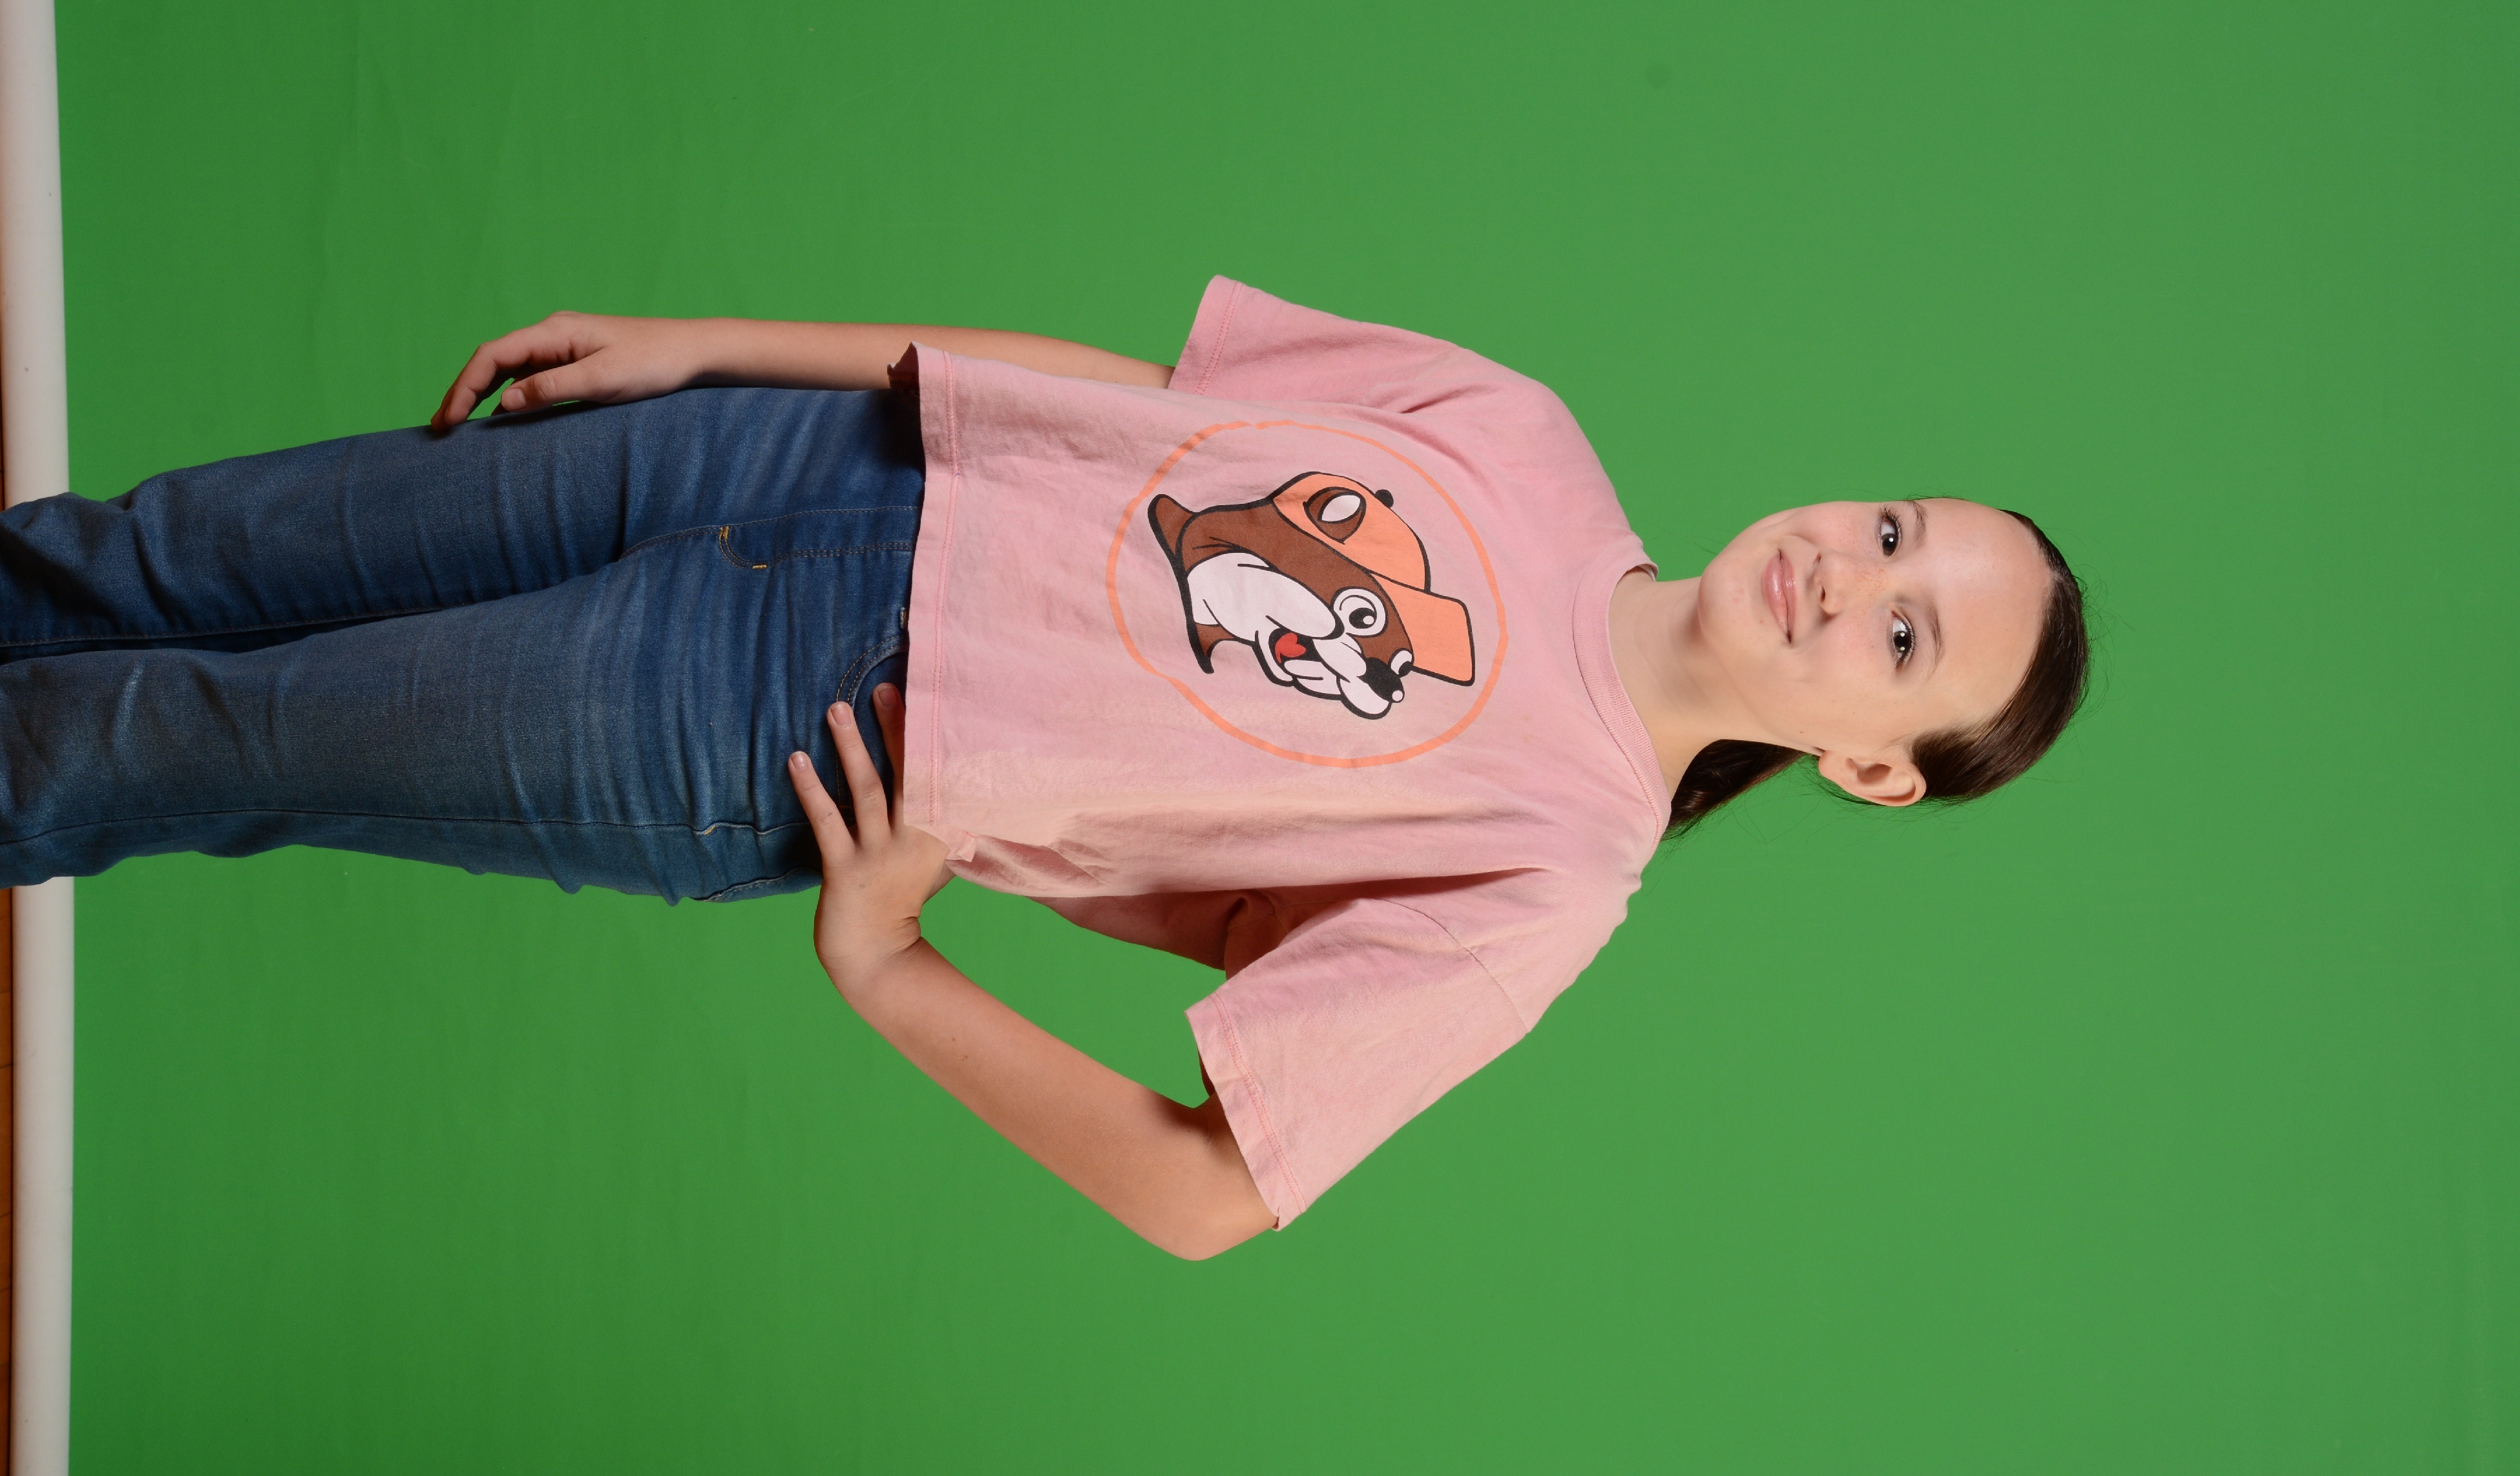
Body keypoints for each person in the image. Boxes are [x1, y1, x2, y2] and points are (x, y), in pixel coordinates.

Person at [0, 279, 2088, 1258]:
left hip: (758, 721)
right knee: (156, 554)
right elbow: (1135, 395)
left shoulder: (1551, 870)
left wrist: (888, 966)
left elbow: (1209, 1194)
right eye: (1894, 527)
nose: (1848, 574)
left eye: (1904, 639)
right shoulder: (1523, 434)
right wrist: (720, 345)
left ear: (1871, 768)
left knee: (168, 735)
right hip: (805, 460)